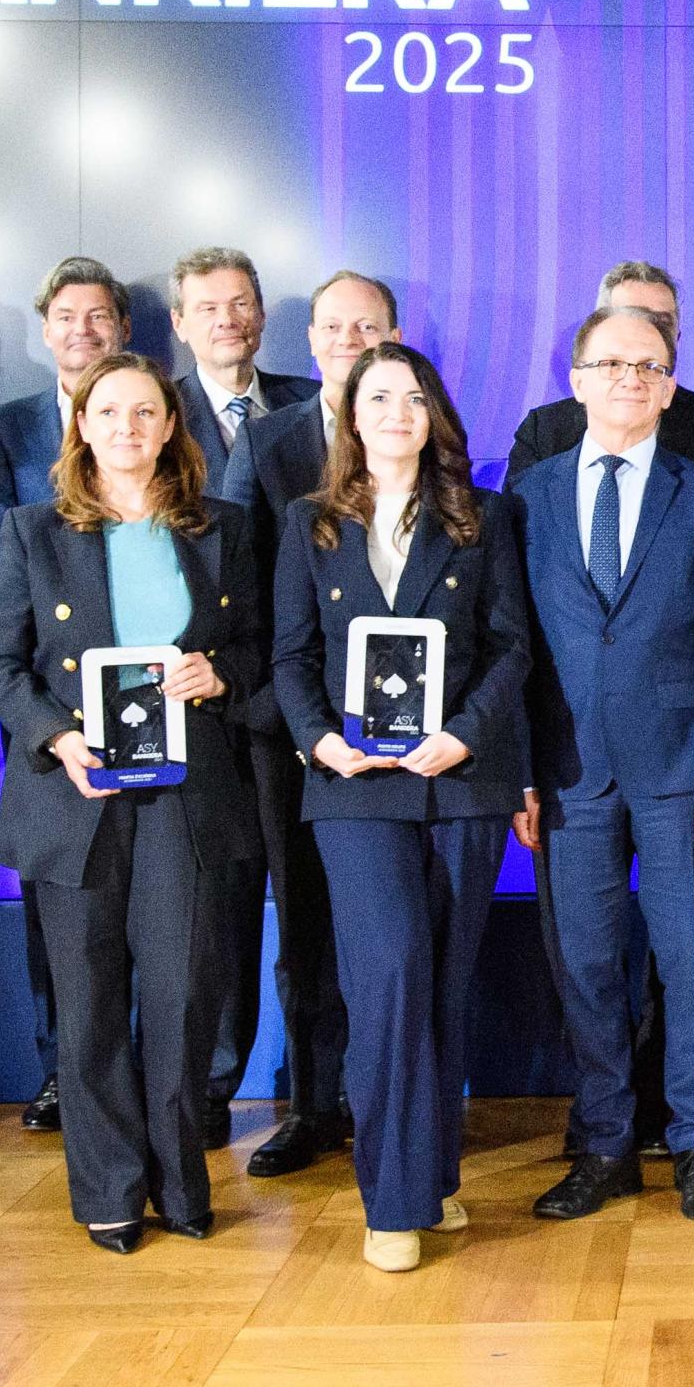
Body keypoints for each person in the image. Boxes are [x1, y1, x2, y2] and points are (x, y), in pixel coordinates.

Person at [0, 354, 262, 1251]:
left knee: (182, 998)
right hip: (76, 795)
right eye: (109, 412)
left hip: (186, 797)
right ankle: (108, 1189)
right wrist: (56, 737)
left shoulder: (225, 529)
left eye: (145, 412)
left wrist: (221, 674)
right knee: (90, 1002)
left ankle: (180, 1184)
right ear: (82, 426)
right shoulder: (33, 531)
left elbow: (264, 650)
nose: (127, 428)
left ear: (172, 426)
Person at [272, 341, 534, 1274]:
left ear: (436, 417)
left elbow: (511, 647)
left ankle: (433, 1176)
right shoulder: (310, 523)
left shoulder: (485, 518)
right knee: (388, 979)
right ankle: (392, 1203)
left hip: (461, 781)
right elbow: (291, 657)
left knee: (441, 987)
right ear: (351, 415)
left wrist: (464, 734)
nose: (396, 413)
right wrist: (319, 740)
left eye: (414, 398)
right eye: (378, 397)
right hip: (353, 788)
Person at [509, 302, 694, 1223]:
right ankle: (606, 1143)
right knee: (585, 965)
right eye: (612, 364)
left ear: (669, 388)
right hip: (566, 774)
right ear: (576, 381)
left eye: (649, 367)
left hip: (682, 771)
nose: (630, 379)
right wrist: (519, 771)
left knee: (690, 965)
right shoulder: (525, 496)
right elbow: (513, 646)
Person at [233, 268, 402, 1177]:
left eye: (366, 327)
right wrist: (290, 715)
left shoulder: (422, 432)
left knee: (385, 924)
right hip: (291, 728)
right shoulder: (266, 443)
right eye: (333, 327)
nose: (348, 341)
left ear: (393, 337)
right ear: (310, 340)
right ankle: (311, 1103)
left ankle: (386, 1098)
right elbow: (237, 582)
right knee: (303, 922)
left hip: (402, 733)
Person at [0, 256, 132, 1132]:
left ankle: (162, 1066)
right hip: (45, 692)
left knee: (163, 894)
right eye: (66, 316)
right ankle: (63, 1067)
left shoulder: (155, 415)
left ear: (124, 329)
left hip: (158, 689)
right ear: (44, 331)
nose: (83, 330)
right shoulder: (5, 430)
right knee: (57, 890)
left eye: (99, 315)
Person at [170, 244, 319, 1150]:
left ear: (262, 315)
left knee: (308, 911)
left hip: (296, 703)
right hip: (197, 706)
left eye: (242, 304)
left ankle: (313, 1097)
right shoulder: (150, 413)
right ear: (179, 323)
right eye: (209, 307)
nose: (229, 320)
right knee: (214, 917)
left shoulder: (319, 403)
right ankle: (209, 1095)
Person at [504, 262, 694, 479]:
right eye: (633, 316)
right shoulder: (545, 432)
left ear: (677, 337)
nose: (649, 332)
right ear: (598, 328)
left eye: (663, 323)